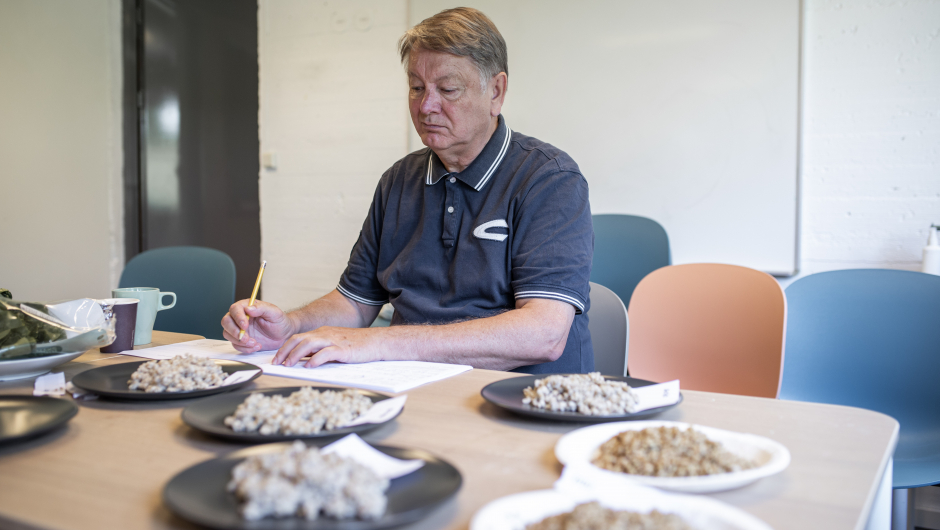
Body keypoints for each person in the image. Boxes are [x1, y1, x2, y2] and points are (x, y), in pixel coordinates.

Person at [222, 7, 593, 374]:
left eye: (448, 89)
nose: (426, 106)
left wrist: (381, 343)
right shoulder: (399, 180)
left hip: (519, 400)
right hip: (412, 386)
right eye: (417, 88)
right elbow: (355, 303)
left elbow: (544, 334)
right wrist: (290, 325)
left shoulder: (549, 180)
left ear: (496, 91)